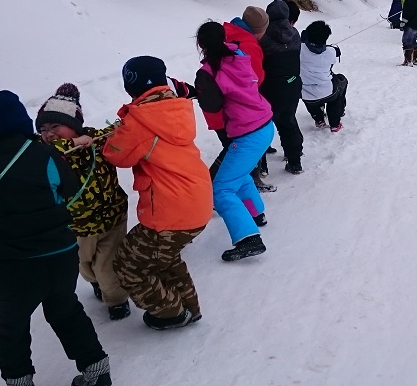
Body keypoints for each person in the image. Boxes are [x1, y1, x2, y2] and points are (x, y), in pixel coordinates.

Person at [0, 90, 111, 386]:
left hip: (14, 264)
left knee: (13, 326)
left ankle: (20, 382)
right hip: (60, 255)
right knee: (66, 311)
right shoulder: (46, 153)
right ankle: (97, 373)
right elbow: (70, 188)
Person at [101, 57, 213, 330]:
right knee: (164, 257)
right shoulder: (175, 107)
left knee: (129, 265)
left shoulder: (140, 120)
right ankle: (190, 307)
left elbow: (115, 154)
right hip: (196, 200)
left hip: (171, 212)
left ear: (131, 87)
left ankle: (171, 313)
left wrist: (117, 130)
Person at [34, 83, 132, 321]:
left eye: (55, 126)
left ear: (74, 126)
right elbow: (49, 155)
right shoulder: (44, 156)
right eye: (43, 128)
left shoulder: (95, 140)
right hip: (77, 226)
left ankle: (117, 299)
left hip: (112, 216)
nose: (49, 133)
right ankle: (97, 283)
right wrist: (71, 144)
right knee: (85, 266)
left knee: (107, 266)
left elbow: (121, 131)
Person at [193, 22, 276, 261]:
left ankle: (249, 238)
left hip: (247, 132)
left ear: (200, 44)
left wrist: (199, 89)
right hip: (264, 124)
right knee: (237, 173)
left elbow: (212, 105)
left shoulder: (209, 70)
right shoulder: (238, 54)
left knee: (221, 188)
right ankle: (255, 213)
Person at [204, 6, 275, 193]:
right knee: (234, 152)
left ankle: (241, 183)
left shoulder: (225, 33)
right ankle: (212, 191)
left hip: (220, 110)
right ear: (259, 30)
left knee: (234, 150)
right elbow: (255, 79)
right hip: (236, 113)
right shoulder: (249, 45)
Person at [259, 0, 305, 174]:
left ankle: (261, 167)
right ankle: (295, 161)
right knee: (288, 121)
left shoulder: (262, 37)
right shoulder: (295, 34)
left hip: (269, 87)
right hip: (292, 85)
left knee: (260, 125)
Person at [300, 20, 347, 133]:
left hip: (305, 93)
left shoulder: (298, 49)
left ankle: (319, 119)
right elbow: (332, 54)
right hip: (327, 92)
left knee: (310, 97)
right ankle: (335, 123)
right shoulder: (330, 53)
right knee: (341, 83)